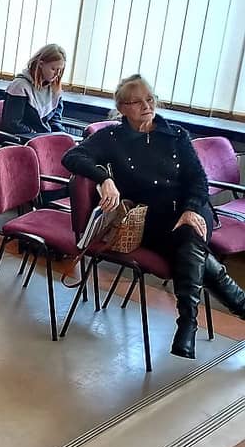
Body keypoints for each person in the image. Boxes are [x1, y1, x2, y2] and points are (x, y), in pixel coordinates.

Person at [62, 75, 245, 358]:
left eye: (150, 99)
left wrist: (191, 209)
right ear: (122, 108)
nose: (147, 106)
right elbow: (72, 157)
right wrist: (104, 179)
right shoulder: (112, 138)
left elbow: (198, 180)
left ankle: (187, 322)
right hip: (151, 218)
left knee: (189, 234)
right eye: (137, 102)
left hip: (191, 209)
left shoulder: (176, 135)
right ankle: (230, 308)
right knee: (190, 246)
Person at [2, 44, 68, 137]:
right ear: (41, 64)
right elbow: (13, 125)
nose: (57, 74)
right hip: (23, 139)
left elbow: (55, 121)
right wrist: (38, 135)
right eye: (53, 69)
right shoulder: (20, 86)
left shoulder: (54, 88)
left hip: (43, 137)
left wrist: (62, 136)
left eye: (60, 70)